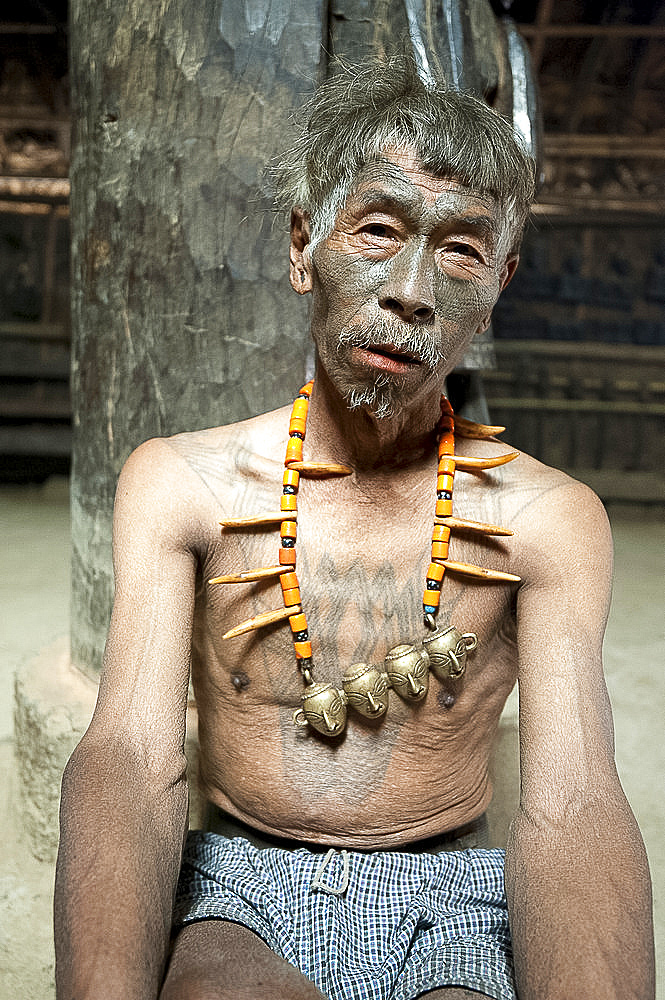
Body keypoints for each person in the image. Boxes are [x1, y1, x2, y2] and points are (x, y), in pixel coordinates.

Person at [54, 57, 655, 1000]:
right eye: (377, 230)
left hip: (453, 892)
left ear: (498, 282)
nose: (412, 290)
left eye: (460, 250)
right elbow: (129, 756)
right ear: (304, 246)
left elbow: (573, 800)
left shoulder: (547, 521)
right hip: (238, 884)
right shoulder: (183, 486)